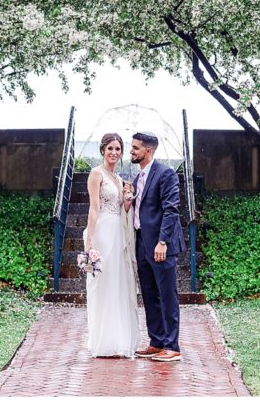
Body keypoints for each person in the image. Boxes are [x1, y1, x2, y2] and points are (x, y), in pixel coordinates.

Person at [83, 132, 141, 357]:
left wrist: (127, 200)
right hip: (103, 233)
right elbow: (94, 207)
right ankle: (103, 341)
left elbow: (123, 210)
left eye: (118, 149)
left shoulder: (119, 179)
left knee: (120, 284)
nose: (114, 153)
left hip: (119, 232)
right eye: (110, 149)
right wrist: (90, 240)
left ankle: (119, 340)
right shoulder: (96, 174)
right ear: (102, 150)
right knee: (104, 284)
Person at [130, 131, 186, 362]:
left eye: (135, 148)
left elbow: (172, 209)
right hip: (142, 242)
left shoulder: (166, 173)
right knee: (150, 293)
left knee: (167, 294)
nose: (131, 151)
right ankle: (157, 341)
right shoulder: (137, 179)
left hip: (161, 244)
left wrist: (162, 241)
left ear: (148, 151)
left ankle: (172, 346)